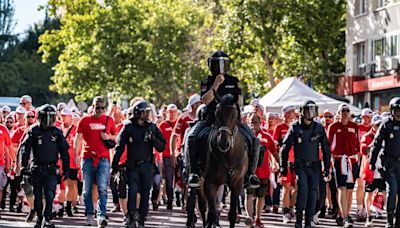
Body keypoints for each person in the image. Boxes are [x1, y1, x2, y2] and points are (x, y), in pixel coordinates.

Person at [187, 51, 261, 189]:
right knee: (192, 137)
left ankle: (250, 174)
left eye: (224, 64)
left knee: (255, 141)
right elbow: (205, 100)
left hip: (232, 122)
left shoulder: (234, 81)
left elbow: (239, 101)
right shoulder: (207, 81)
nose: (221, 67)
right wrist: (215, 85)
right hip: (210, 120)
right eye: (218, 64)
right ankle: (194, 173)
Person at [112, 100, 166, 228]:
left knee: (145, 192)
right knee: (132, 190)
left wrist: (154, 139)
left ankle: (142, 218)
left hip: (147, 166)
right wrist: (114, 166)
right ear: (137, 113)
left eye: (147, 113)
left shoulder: (152, 127)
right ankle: (131, 217)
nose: (146, 116)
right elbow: (119, 147)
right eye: (144, 113)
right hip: (132, 165)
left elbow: (161, 147)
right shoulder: (128, 127)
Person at [280, 100, 331, 228]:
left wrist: (327, 167)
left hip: (315, 166)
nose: (310, 114)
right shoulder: (295, 127)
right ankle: (298, 219)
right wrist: (283, 167)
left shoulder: (319, 128)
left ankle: (308, 221)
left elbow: (326, 149)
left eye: (313, 110)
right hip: (300, 165)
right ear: (302, 112)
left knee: (314, 192)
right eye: (308, 110)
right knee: (303, 190)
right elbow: (284, 147)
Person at [20, 104, 70, 228]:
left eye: (51, 117)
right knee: (37, 195)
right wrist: (23, 166)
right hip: (37, 167)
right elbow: (25, 150)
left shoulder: (57, 132)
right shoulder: (33, 130)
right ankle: (39, 218)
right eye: (45, 117)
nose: (48, 120)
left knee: (49, 194)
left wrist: (66, 169)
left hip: (51, 169)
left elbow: (64, 152)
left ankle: (47, 218)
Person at [74, 96, 117, 227]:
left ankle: (101, 216)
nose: (99, 110)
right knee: (87, 190)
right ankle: (89, 215)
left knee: (102, 188)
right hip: (87, 158)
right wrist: (76, 154)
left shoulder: (110, 120)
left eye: (102, 108)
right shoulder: (84, 120)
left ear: (105, 108)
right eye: (97, 107)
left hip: (103, 159)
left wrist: (108, 136)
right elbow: (78, 138)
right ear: (92, 106)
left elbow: (116, 137)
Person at [328, 103, 360, 228]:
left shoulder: (354, 126)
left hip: (352, 161)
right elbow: (328, 145)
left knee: (350, 190)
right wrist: (329, 162)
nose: (345, 112)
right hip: (339, 160)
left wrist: (359, 159)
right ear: (338, 113)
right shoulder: (333, 127)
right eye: (342, 110)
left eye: (347, 110)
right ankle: (346, 217)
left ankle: (343, 214)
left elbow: (357, 144)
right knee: (342, 188)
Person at [370, 97, 400, 228]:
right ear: (392, 111)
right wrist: (372, 162)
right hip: (389, 164)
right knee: (392, 190)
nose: (399, 113)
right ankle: (389, 219)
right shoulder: (386, 124)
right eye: (397, 110)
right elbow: (376, 144)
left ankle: (398, 220)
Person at [245, 112, 277, 228]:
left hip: (263, 172)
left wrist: (276, 162)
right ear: (248, 122)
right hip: (250, 172)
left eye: (256, 122)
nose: (254, 124)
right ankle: (249, 218)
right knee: (249, 195)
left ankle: (258, 218)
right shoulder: (246, 136)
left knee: (261, 196)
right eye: (252, 122)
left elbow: (273, 150)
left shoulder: (266, 136)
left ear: (260, 122)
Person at [273, 105, 297, 222]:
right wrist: (276, 162)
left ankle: (291, 207)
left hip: (297, 162)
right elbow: (274, 146)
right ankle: (285, 212)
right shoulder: (279, 127)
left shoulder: (296, 126)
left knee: (298, 187)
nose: (295, 113)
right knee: (286, 188)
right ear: (287, 113)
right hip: (285, 162)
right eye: (292, 111)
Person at [361, 115, 385, 227]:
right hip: (371, 170)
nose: (379, 127)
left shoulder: (386, 136)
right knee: (368, 193)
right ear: (373, 125)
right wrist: (375, 143)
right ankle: (369, 217)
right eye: (377, 125)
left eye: (381, 124)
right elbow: (364, 151)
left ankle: (378, 209)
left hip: (382, 169)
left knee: (383, 192)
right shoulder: (367, 136)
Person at [159, 104, 179, 210]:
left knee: (180, 179)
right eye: (170, 112)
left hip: (179, 155)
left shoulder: (179, 123)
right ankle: (170, 200)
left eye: (174, 112)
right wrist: (160, 157)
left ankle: (180, 198)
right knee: (169, 178)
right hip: (166, 155)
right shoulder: (162, 125)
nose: (172, 114)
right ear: (166, 113)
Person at [356, 108, 373, 222]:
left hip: (369, 159)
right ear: (362, 117)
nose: (368, 119)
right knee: (360, 185)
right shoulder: (358, 127)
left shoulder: (374, 128)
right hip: (359, 158)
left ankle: (369, 209)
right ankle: (359, 209)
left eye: (370, 117)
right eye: (366, 117)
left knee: (370, 187)